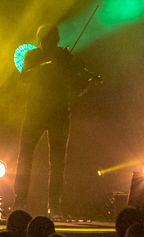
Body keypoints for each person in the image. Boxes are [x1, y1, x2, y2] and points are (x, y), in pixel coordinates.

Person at [12, 23, 93, 218]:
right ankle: (21, 201)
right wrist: (49, 66)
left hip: (57, 114)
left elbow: (76, 87)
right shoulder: (32, 56)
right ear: (43, 40)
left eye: (53, 39)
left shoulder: (65, 57)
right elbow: (24, 78)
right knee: (27, 156)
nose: (51, 42)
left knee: (56, 161)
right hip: (36, 113)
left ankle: (53, 205)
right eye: (48, 39)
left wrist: (86, 81)